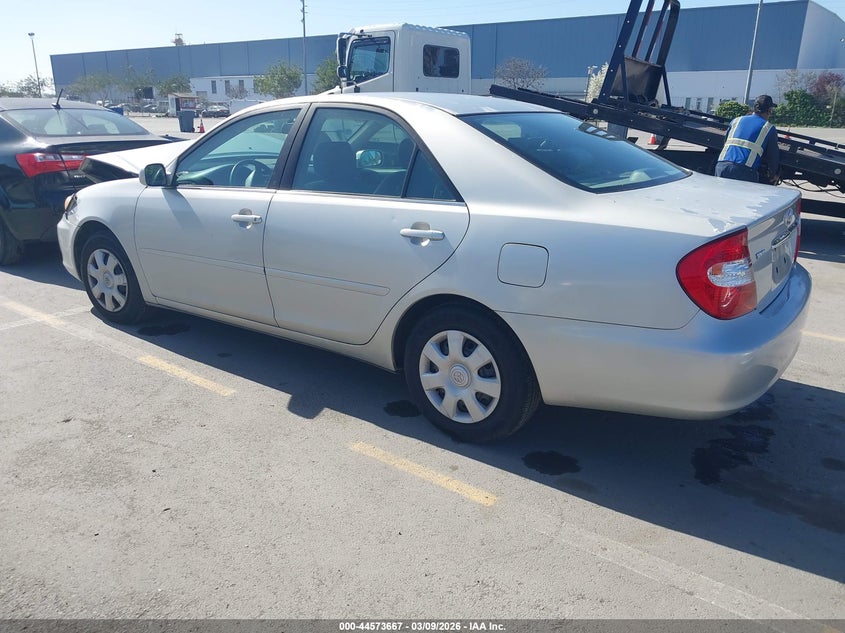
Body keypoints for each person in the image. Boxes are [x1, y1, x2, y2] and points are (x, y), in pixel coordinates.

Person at [715, 94, 780, 184]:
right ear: (769, 111)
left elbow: (725, 142)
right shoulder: (768, 128)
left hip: (722, 165)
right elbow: (773, 155)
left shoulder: (736, 120)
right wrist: (772, 175)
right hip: (744, 170)